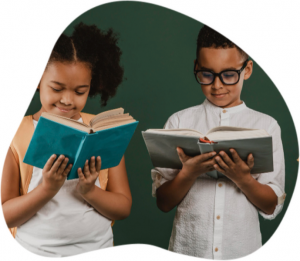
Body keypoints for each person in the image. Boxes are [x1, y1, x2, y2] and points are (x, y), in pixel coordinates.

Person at [151, 25, 286, 259]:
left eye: (229, 75)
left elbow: (271, 205)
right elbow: (163, 202)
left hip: (242, 250)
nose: (217, 84)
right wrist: (188, 173)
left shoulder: (266, 126)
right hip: (188, 249)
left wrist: (243, 178)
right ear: (196, 68)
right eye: (206, 74)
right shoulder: (179, 122)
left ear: (247, 69)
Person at [1, 22, 132, 257]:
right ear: (38, 79)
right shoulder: (15, 133)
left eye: (80, 91)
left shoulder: (101, 131)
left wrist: (89, 190)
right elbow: (5, 214)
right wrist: (46, 190)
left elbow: (123, 207)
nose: (68, 100)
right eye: (57, 88)